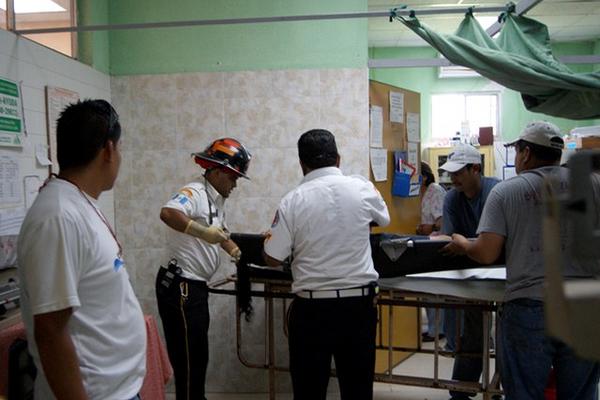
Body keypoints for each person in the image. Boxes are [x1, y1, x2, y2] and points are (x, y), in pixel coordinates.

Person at [447, 121, 600, 400]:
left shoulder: (508, 191)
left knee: (524, 394)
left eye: (517, 151)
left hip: (531, 306)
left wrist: (463, 245)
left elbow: (487, 252)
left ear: (526, 153)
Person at [17, 99, 146, 400]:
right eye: (120, 148)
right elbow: (50, 331)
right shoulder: (58, 216)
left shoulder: (79, 202)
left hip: (117, 390)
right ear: (109, 150)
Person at [263, 129, 390, 400]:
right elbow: (384, 219)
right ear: (338, 159)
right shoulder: (361, 188)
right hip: (358, 307)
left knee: (309, 391)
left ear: (302, 163)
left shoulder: (292, 200)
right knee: (357, 390)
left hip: (312, 310)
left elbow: (273, 258)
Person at [156, 137, 251, 400]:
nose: (234, 185)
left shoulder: (215, 199)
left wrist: (236, 251)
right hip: (180, 285)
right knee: (187, 357)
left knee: (198, 354)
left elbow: (218, 234)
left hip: (194, 287)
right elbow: (168, 213)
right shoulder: (195, 192)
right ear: (219, 171)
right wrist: (201, 231)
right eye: (233, 178)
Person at [438, 144, 500, 400]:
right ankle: (462, 390)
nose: (453, 179)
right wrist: (469, 246)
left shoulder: (496, 191)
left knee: (508, 336)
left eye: (458, 173)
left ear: (476, 169)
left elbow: (497, 242)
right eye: (450, 173)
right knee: (472, 333)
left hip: (503, 269)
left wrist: (468, 245)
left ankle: (501, 388)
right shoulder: (452, 197)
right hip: (473, 274)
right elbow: (449, 238)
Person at [417, 161, 447, 342]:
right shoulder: (420, 194)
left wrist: (429, 228)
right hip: (425, 243)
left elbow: (442, 221)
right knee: (427, 292)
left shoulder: (434, 191)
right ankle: (434, 329)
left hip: (435, 244)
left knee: (434, 291)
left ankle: (437, 330)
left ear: (424, 177)